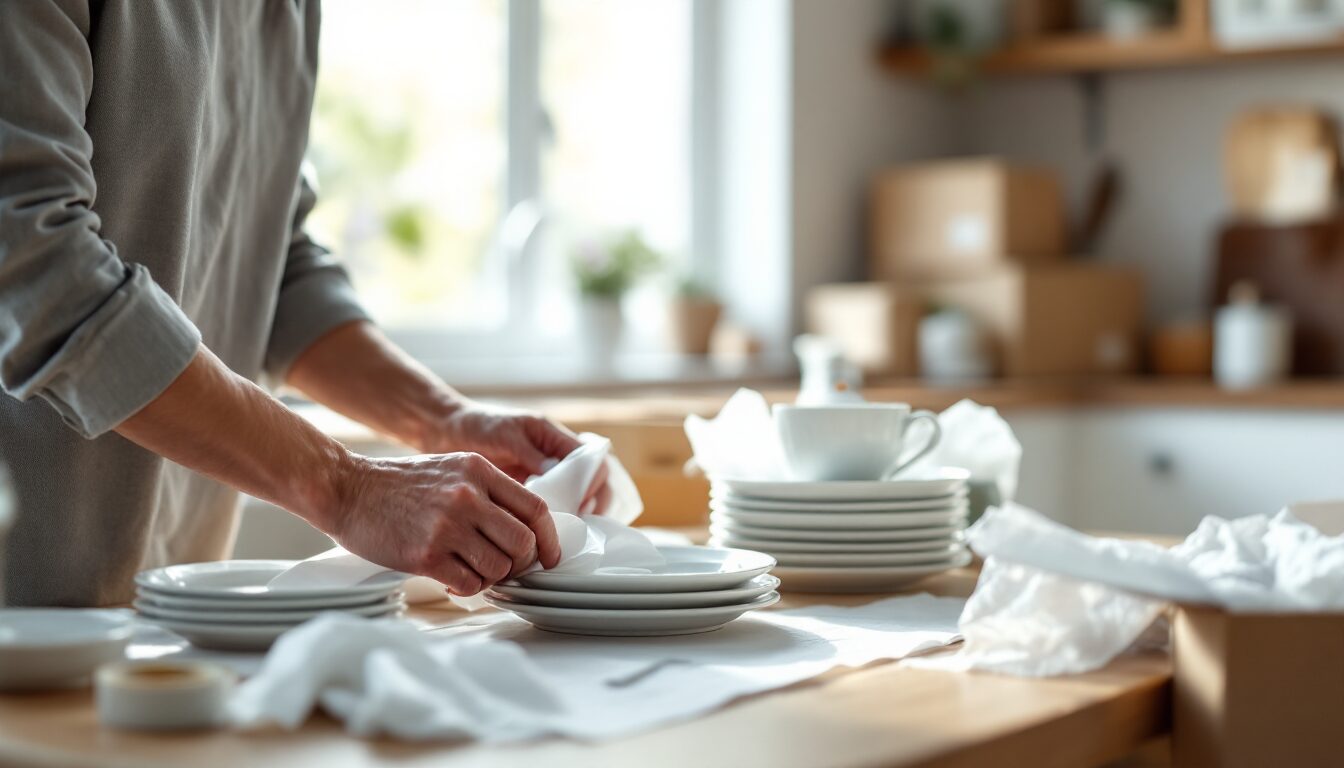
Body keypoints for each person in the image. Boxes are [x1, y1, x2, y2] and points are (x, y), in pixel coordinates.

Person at [0, 1, 606, 606]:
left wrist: (446, 420)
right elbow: (39, 269)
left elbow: (274, 261)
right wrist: (347, 489)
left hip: (172, 604)